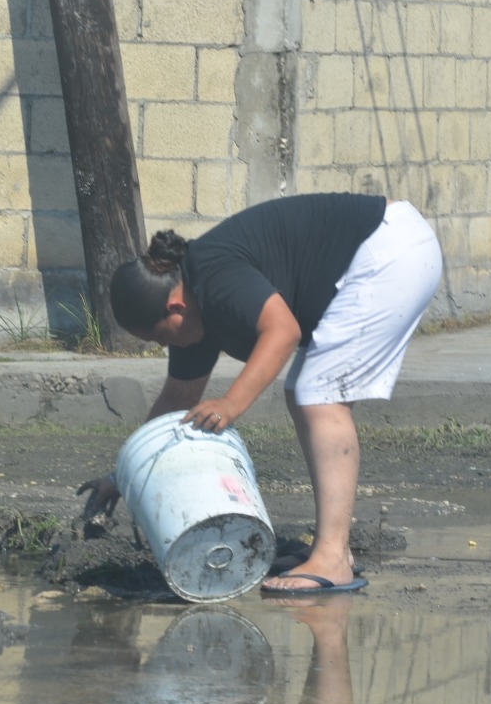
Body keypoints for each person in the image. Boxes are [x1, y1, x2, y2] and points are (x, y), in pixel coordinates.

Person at [79, 192, 442, 595]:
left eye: (161, 338)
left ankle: (334, 557)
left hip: (388, 250)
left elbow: (283, 331)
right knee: (308, 393)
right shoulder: (193, 317)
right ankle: (331, 550)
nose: (168, 347)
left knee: (318, 395)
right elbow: (176, 402)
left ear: (175, 308)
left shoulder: (214, 276)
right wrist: (122, 474)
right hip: (388, 248)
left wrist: (232, 403)